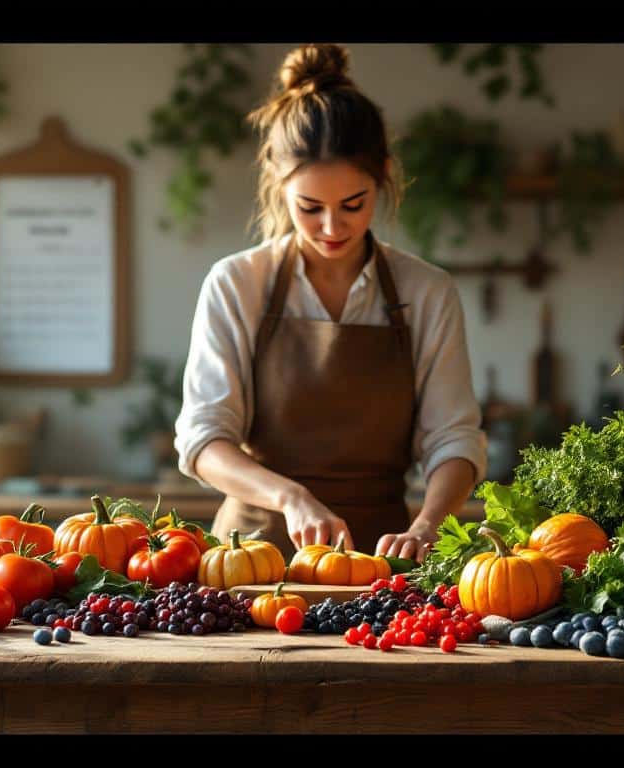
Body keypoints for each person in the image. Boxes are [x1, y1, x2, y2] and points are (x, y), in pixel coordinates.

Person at [172, 43, 488, 563]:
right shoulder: (236, 283)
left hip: (383, 565)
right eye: (310, 207)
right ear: (278, 180)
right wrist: (290, 497)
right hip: (252, 562)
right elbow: (204, 441)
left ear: (383, 174)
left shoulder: (427, 292)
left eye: (353, 204)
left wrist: (429, 524)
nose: (332, 227)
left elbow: (454, 439)